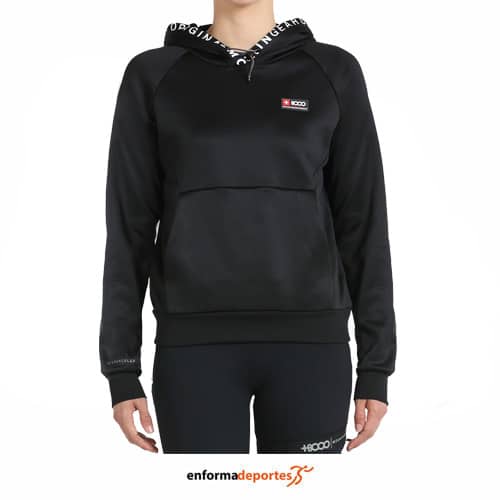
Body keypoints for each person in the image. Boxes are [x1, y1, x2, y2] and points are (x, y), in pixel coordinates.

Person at [99, 0, 397, 454]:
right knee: (209, 487)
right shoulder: (153, 75)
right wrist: (121, 368)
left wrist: (376, 366)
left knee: (303, 487)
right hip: (193, 351)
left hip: (312, 348)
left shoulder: (333, 71)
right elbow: (128, 228)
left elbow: (364, 223)